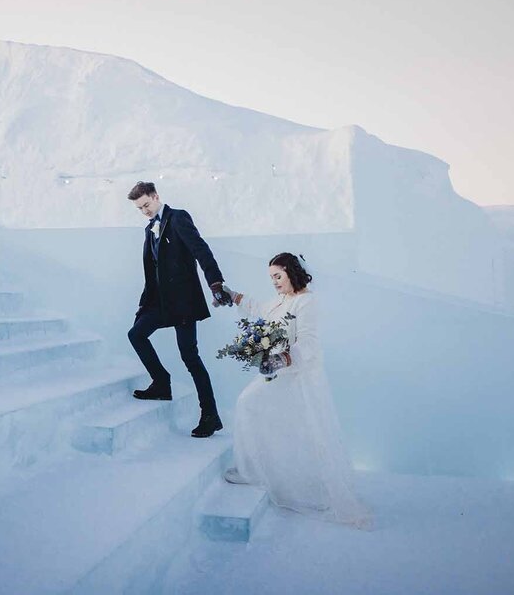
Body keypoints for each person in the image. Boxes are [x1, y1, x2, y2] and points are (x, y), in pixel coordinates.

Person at [219, 253, 373, 528]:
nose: (274, 282)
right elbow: (260, 308)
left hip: (298, 375)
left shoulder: (306, 301)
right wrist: (234, 296)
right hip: (279, 372)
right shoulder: (281, 300)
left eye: (278, 276)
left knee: (303, 428)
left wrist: (282, 359)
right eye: (271, 278)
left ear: (292, 272)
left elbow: (310, 343)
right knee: (248, 404)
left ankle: (295, 482)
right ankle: (253, 470)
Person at [127, 181, 231, 438]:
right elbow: (151, 273)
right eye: (140, 208)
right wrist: (144, 305)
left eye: (147, 205)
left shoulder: (178, 218)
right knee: (136, 334)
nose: (145, 211)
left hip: (183, 302)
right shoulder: (149, 229)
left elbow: (201, 250)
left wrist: (215, 283)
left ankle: (210, 415)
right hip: (160, 303)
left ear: (156, 196)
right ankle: (161, 382)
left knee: (190, 357)